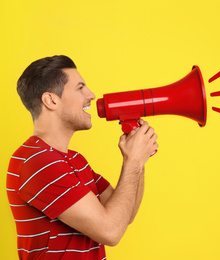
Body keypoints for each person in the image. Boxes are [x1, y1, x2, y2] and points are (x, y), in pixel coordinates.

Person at [6, 55, 158, 260]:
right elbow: (110, 232)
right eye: (80, 88)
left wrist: (139, 159)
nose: (92, 95)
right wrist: (133, 162)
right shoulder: (36, 162)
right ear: (51, 100)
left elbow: (124, 215)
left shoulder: (74, 160)